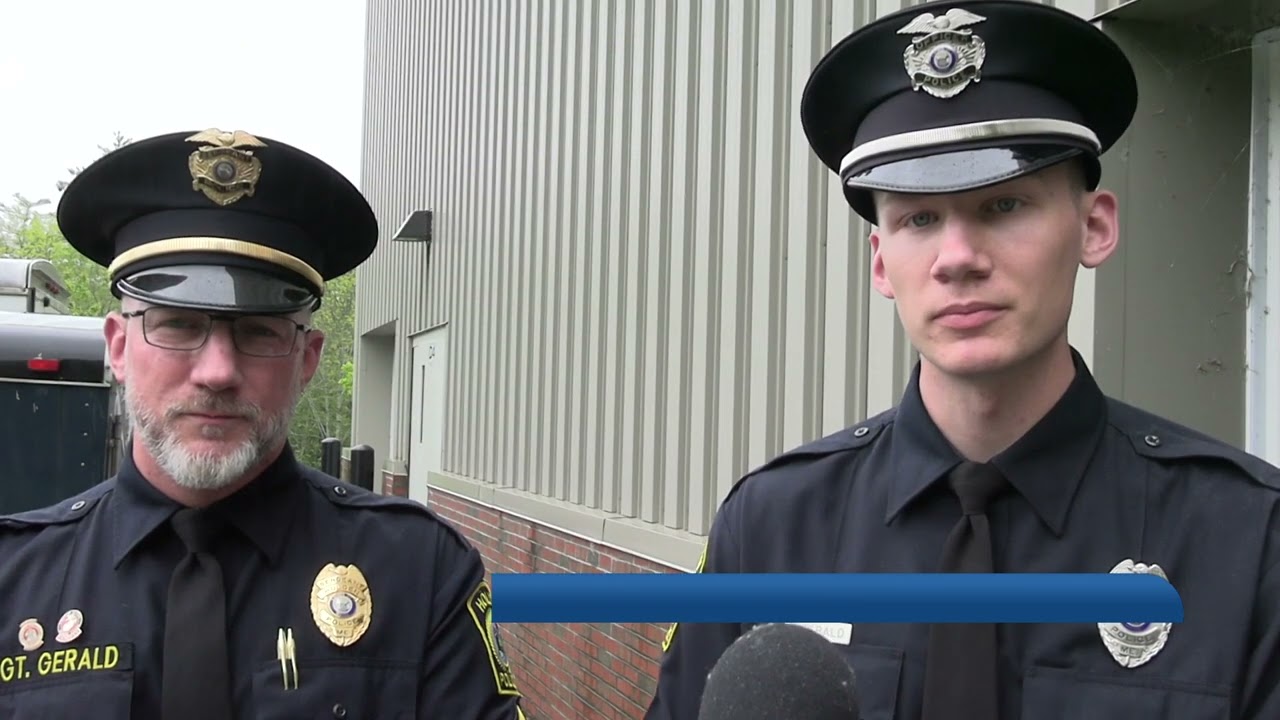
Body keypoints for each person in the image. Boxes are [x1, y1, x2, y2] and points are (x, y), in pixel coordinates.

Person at [646, 1, 1280, 719]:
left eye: (1005, 206)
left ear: (1095, 227)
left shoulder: (1245, 542)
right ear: (882, 262)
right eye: (919, 219)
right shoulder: (771, 530)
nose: (958, 260)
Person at [0, 128, 527, 719]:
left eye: (259, 332)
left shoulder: (419, 571)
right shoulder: (14, 580)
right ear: (118, 348)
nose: (219, 372)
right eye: (177, 325)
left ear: (307, 358)